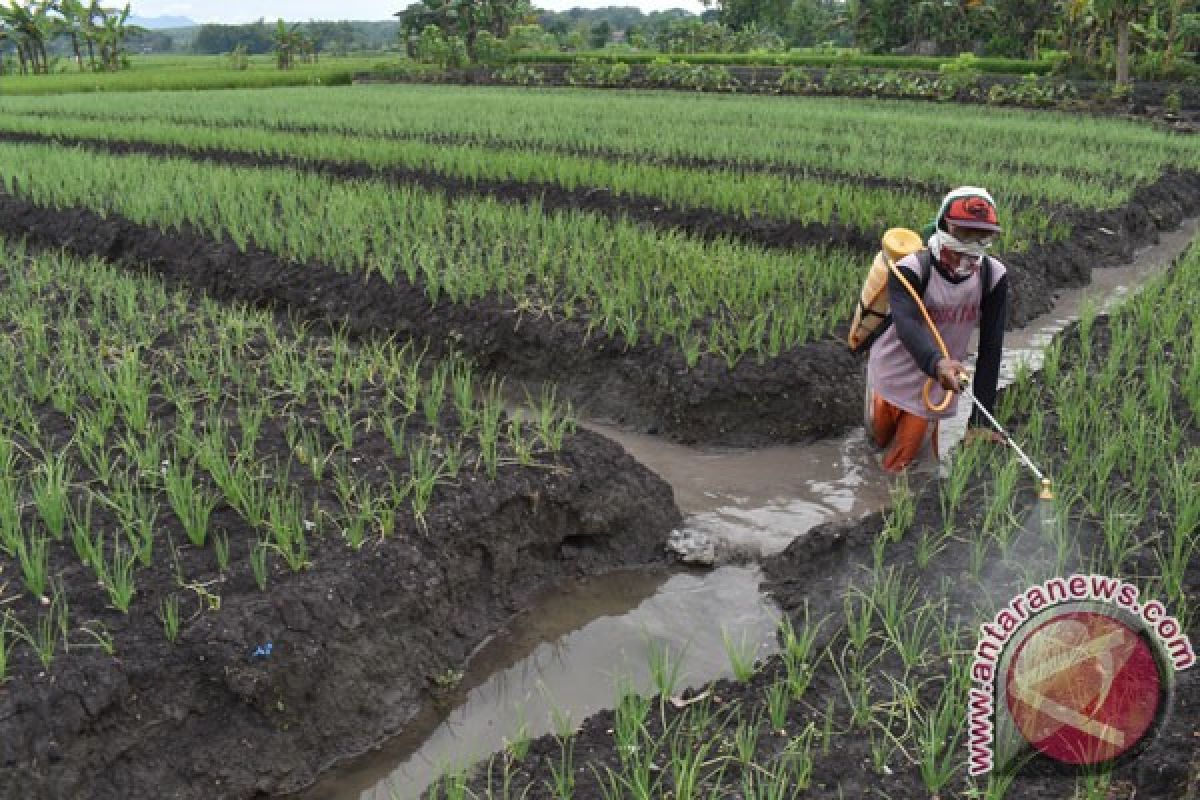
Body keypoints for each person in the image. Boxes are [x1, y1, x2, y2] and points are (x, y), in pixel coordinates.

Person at [866, 187, 1009, 472]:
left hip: (933, 386)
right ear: (946, 225)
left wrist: (980, 422)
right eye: (965, 233)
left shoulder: (992, 276)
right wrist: (936, 362)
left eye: (982, 235)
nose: (972, 243)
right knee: (874, 444)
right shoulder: (911, 269)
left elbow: (991, 347)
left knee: (906, 467)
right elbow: (905, 323)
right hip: (889, 373)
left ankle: (894, 511)